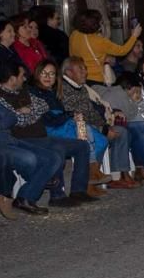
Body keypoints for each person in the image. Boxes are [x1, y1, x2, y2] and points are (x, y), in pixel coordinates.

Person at [0, 61, 95, 209]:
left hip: (42, 136)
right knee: (57, 150)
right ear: (12, 79)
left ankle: (78, 191)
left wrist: (27, 111)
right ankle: (57, 196)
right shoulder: (2, 97)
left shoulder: (24, 90)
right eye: (22, 76)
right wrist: (26, 113)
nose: (24, 79)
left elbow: (43, 106)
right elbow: (15, 120)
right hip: (23, 139)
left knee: (82, 145)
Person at [30, 58, 113, 192]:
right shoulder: (34, 92)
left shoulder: (53, 92)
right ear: (37, 74)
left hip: (62, 124)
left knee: (101, 140)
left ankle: (91, 176)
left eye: (51, 74)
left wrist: (71, 116)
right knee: (84, 132)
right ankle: (90, 175)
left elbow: (66, 113)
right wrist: (70, 115)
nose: (47, 77)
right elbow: (48, 119)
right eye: (44, 73)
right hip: (50, 128)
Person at [60, 56, 136, 190]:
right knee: (99, 138)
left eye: (85, 69)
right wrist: (104, 129)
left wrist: (106, 125)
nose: (85, 72)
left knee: (121, 132)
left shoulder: (80, 87)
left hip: (91, 125)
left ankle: (116, 176)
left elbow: (92, 111)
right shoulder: (65, 89)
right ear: (69, 73)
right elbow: (79, 115)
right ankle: (90, 178)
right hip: (77, 127)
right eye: (80, 69)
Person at [69, 9, 142, 85]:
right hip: (97, 80)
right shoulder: (100, 41)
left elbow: (72, 56)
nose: (101, 24)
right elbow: (122, 51)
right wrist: (134, 36)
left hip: (79, 78)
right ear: (96, 25)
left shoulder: (74, 35)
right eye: (100, 22)